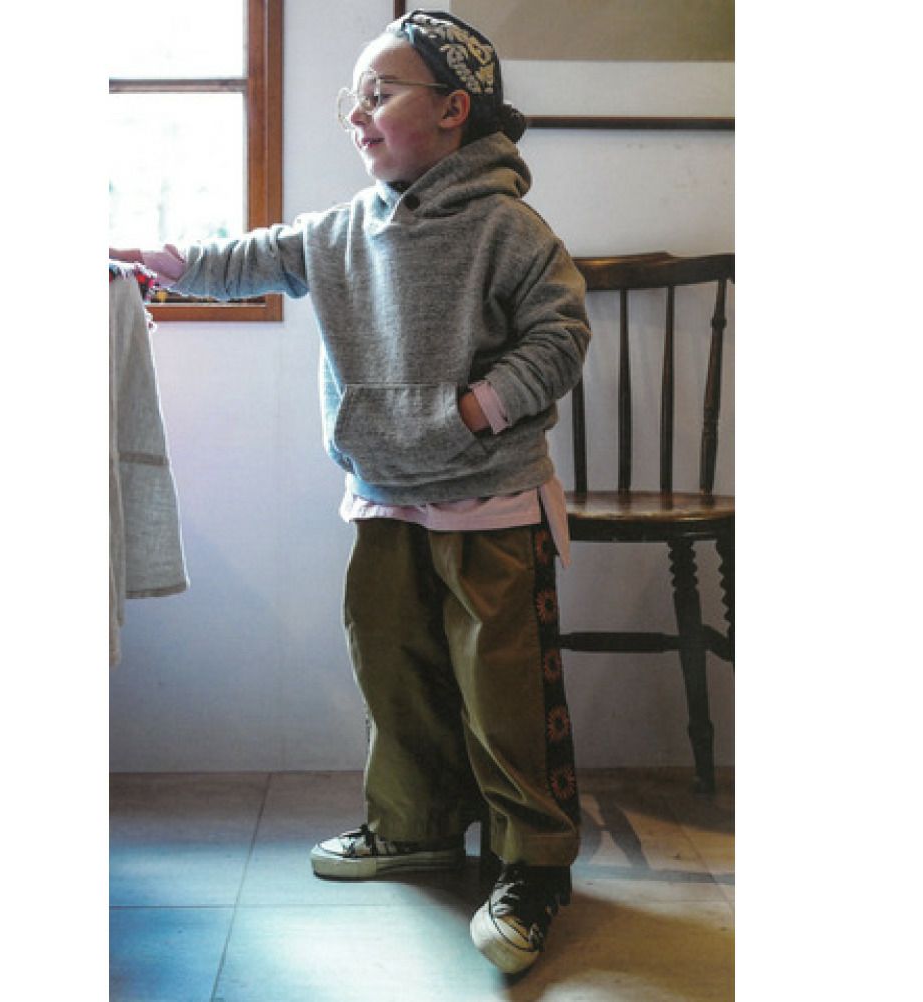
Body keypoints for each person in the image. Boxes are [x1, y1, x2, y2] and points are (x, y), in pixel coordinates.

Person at [111, 9, 590, 976]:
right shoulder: (342, 230)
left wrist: (479, 407)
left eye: (380, 93)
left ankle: (533, 865)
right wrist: (172, 265)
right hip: (385, 493)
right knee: (393, 671)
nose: (358, 114)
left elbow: (560, 334)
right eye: (352, 99)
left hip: (491, 502)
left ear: (454, 109)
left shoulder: (509, 228)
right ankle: (416, 823)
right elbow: (258, 257)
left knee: (503, 689)